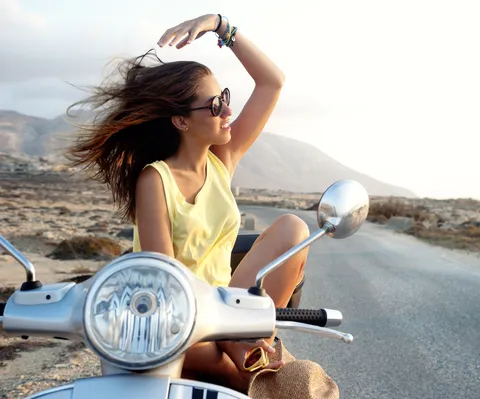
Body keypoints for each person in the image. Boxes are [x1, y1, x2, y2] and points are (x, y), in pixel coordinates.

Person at [65, 13, 310, 393]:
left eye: (224, 98)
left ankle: (248, 343)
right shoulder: (155, 179)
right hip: (175, 320)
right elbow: (166, 285)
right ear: (180, 121)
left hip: (226, 307)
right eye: (215, 106)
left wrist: (219, 25)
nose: (227, 111)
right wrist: (215, 328)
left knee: (294, 228)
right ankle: (245, 368)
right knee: (216, 357)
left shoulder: (223, 159)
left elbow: (272, 82)